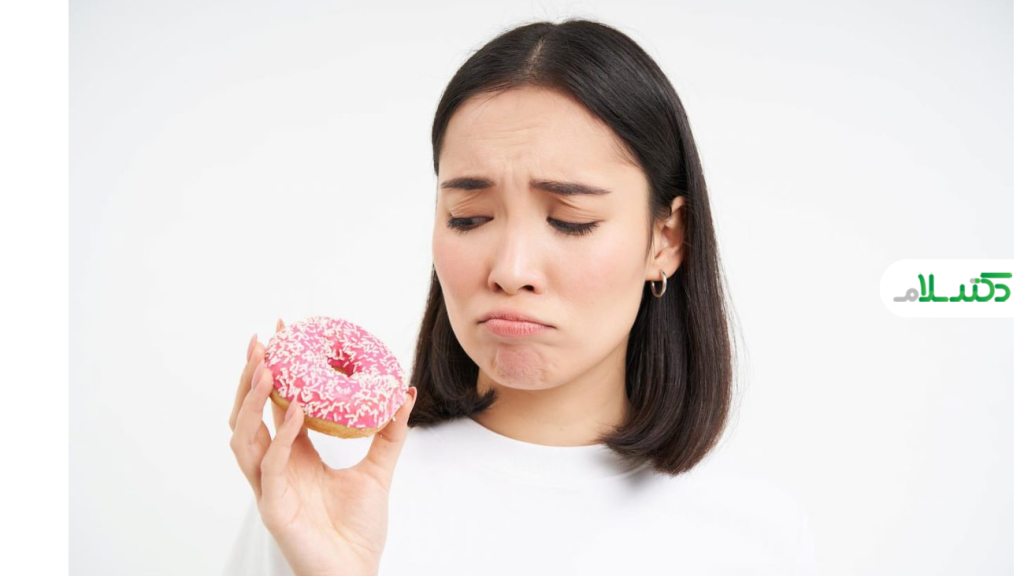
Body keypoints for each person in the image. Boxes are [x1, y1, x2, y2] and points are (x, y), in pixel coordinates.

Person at [225, 18, 820, 576]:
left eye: (570, 220)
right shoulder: (325, 495)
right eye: (469, 216)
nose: (511, 271)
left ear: (665, 240)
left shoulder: (757, 536)